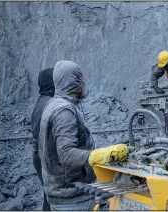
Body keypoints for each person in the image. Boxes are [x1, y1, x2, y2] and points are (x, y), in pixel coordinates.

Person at [38, 60, 129, 210]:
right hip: (72, 198)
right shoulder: (64, 112)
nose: (84, 82)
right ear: (73, 81)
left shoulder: (53, 104)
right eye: (81, 78)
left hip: (61, 193)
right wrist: (101, 155)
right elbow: (66, 154)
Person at [31, 68, 54, 211]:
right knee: (54, 199)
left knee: (49, 197)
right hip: (48, 159)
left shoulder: (42, 102)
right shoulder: (49, 104)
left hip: (41, 157)